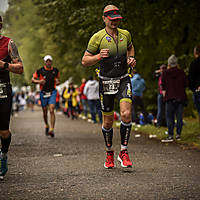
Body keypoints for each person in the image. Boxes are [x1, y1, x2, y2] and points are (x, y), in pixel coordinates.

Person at [82, 5, 136, 168]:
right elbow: (85, 60)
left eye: (117, 19)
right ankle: (109, 153)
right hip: (106, 81)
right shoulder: (97, 37)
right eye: (111, 20)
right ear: (104, 18)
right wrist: (98, 56)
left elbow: (130, 47)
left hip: (123, 79)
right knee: (107, 122)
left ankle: (124, 152)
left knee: (126, 114)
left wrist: (131, 58)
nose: (114, 22)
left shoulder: (125, 34)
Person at [0, 16, 24, 179]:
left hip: (2, 90)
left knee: (3, 131)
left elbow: (20, 68)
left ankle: (3, 155)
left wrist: (5, 65)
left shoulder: (8, 43)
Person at [161, 55, 187, 142]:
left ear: (169, 63)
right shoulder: (181, 72)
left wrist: (165, 93)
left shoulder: (165, 73)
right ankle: (178, 134)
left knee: (169, 117)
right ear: (176, 63)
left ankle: (170, 135)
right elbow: (185, 84)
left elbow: (162, 85)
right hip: (180, 97)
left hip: (169, 97)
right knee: (179, 117)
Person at [32, 55, 60, 137]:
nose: (48, 62)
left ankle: (52, 129)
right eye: (47, 61)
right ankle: (47, 125)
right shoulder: (40, 70)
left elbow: (58, 79)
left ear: (51, 62)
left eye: (50, 61)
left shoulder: (55, 70)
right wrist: (39, 81)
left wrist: (58, 82)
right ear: (44, 62)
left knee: (51, 110)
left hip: (52, 92)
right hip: (43, 93)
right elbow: (32, 80)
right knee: (45, 112)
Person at [188, 45, 200, 125]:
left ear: (195, 52)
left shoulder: (194, 64)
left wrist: (193, 89)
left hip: (198, 90)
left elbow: (190, 78)